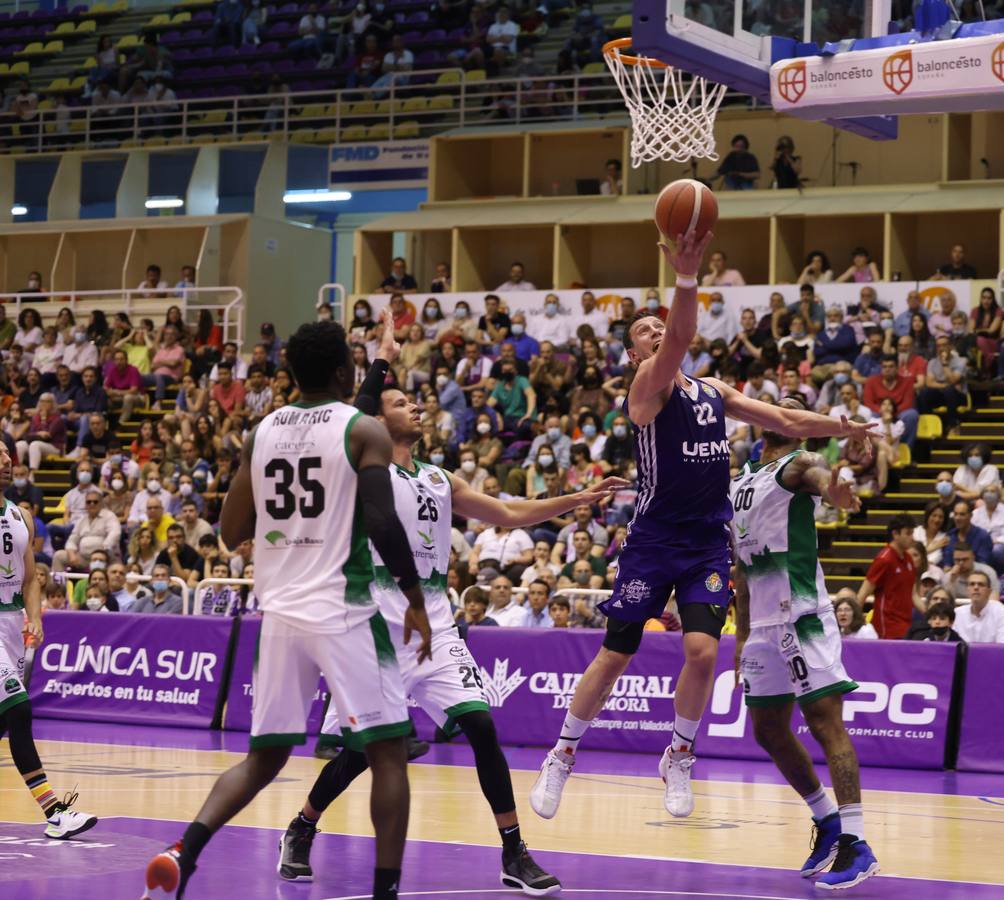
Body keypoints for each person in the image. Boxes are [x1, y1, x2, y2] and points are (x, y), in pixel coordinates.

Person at [529, 228, 874, 823]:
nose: (658, 332)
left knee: (700, 651)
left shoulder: (712, 390)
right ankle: (561, 755)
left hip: (705, 543)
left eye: (660, 326)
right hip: (654, 540)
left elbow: (785, 419)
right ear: (634, 355)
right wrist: (686, 276)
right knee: (616, 654)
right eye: (645, 331)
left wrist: (840, 427)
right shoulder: (645, 388)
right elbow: (683, 333)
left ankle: (679, 755)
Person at [276, 314, 625, 893]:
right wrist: (382, 357)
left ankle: (513, 852)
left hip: (435, 619)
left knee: (483, 726)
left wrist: (577, 498)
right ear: (376, 418)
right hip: (378, 621)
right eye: (400, 401)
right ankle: (303, 825)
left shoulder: (439, 479)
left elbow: (510, 513)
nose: (416, 407)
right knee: (365, 751)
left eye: (415, 401)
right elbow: (356, 410)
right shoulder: (365, 464)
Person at [143, 322, 433, 900]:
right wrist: (417, 599)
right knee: (388, 752)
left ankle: (184, 850)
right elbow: (381, 521)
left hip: (277, 616)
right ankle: (386, 891)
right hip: (344, 608)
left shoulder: (263, 430)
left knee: (263, 757)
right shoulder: (364, 430)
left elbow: (229, 532)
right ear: (341, 373)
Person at [729, 414, 878, 890]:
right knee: (767, 729)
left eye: (795, 408)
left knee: (824, 722)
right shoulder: (741, 482)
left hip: (802, 616)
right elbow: (740, 567)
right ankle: (828, 820)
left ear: (801, 429)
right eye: (779, 405)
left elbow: (819, 473)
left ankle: (857, 845)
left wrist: (833, 492)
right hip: (761, 625)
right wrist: (740, 636)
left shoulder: (799, 463)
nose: (785, 409)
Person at [0, 444, 97, 839]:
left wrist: (35, 617)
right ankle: (55, 812)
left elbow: (29, 578)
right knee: (20, 710)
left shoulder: (20, 514)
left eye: (7, 454)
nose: (6, 460)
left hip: (10, 624)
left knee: (6, 719)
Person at [854, 515, 919, 639]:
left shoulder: (909, 559)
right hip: (887, 627)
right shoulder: (884, 559)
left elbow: (913, 594)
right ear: (895, 534)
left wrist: (929, 612)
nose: (912, 538)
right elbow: (863, 593)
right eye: (908, 533)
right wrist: (855, 624)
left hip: (906, 624)